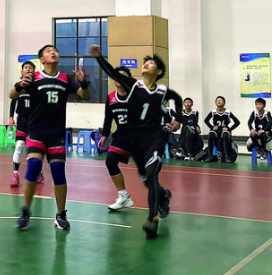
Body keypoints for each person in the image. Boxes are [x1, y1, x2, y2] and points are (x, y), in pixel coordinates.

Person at [93, 45, 183, 239]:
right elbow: (112, 74)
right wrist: (99, 58)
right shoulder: (131, 88)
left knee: (150, 175)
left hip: (153, 138)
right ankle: (159, 196)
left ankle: (154, 215)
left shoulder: (159, 91)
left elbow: (176, 100)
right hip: (133, 140)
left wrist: (178, 120)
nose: (146, 64)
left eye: (151, 63)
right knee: (144, 178)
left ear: (159, 72)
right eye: (145, 62)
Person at [13, 45, 90, 231]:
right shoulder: (34, 78)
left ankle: (61, 214)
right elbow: (12, 95)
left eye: (54, 50)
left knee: (58, 173)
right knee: (33, 167)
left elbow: (85, 96)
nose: (53, 52)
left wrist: (84, 83)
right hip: (36, 132)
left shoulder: (65, 78)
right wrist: (20, 85)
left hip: (56, 135)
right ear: (42, 59)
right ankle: (25, 210)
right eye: (48, 51)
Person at [99, 65, 136, 211]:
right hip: (122, 135)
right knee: (110, 160)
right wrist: (104, 134)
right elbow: (108, 117)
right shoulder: (111, 98)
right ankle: (123, 196)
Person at [9, 61, 37, 188]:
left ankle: (39, 172)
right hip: (22, 121)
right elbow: (13, 101)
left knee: (34, 149)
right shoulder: (18, 85)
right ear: (22, 71)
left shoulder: (36, 86)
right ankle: (15, 175)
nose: (28, 70)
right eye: (26, 68)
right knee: (19, 146)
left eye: (31, 68)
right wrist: (11, 117)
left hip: (34, 121)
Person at [202, 96, 240, 163]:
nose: (219, 101)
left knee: (225, 136)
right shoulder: (213, 112)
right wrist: (211, 127)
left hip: (224, 130)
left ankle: (227, 156)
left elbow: (237, 122)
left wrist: (229, 129)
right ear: (215, 103)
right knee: (211, 134)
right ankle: (210, 156)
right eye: (217, 100)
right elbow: (206, 120)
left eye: (221, 100)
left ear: (224, 103)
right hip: (216, 130)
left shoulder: (228, 112)